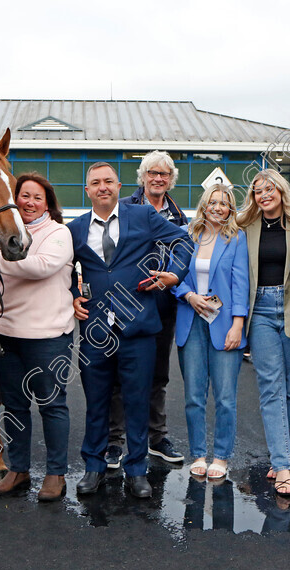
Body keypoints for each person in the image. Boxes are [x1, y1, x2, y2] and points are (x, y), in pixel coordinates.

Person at [68, 162, 192, 499]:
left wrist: (173, 275)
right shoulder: (76, 229)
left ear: (119, 186)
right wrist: (72, 296)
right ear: (87, 190)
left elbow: (183, 242)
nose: (103, 187)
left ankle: (137, 470)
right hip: (96, 333)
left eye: (108, 181)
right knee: (97, 403)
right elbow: (63, 270)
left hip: (138, 330)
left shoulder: (142, 217)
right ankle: (93, 468)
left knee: (137, 402)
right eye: (95, 182)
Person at [0, 173, 75, 502]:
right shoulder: (5, 234)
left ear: (48, 203)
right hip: (7, 335)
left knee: (52, 406)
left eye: (37, 197)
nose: (29, 202)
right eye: (24, 196)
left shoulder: (58, 233)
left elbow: (42, 266)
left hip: (47, 338)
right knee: (13, 407)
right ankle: (18, 469)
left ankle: (56, 475)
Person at [107, 151, 189, 468]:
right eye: (153, 173)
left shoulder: (179, 216)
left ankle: (157, 437)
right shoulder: (123, 208)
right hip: (125, 303)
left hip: (163, 304)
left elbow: (184, 254)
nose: (158, 179)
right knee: (117, 374)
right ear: (142, 176)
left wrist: (174, 279)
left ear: (170, 180)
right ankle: (115, 441)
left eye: (164, 174)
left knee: (158, 374)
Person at [236, 169, 290, 496]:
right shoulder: (244, 227)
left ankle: (284, 457)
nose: (264, 195)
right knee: (270, 387)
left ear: (281, 191)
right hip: (261, 308)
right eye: (258, 191)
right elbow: (206, 235)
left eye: (270, 189)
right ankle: (282, 465)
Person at [173, 183, 249, 481]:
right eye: (213, 202)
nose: (218, 207)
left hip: (225, 324)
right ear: (204, 205)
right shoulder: (186, 237)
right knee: (194, 396)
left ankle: (221, 456)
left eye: (225, 203)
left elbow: (241, 283)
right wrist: (188, 295)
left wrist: (238, 324)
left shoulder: (236, 239)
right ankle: (199, 454)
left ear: (231, 209)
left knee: (225, 397)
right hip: (191, 322)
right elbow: (173, 275)